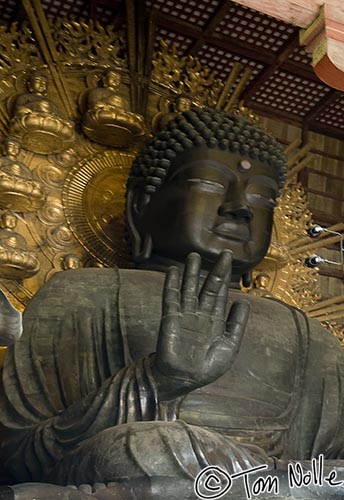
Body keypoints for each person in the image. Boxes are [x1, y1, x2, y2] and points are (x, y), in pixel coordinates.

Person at [0, 107, 344, 500]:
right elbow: (14, 456)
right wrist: (157, 380)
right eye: (211, 183)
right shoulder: (80, 293)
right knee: (148, 446)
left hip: (270, 482)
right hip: (147, 460)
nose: (240, 207)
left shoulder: (308, 335)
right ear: (140, 207)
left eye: (261, 196)